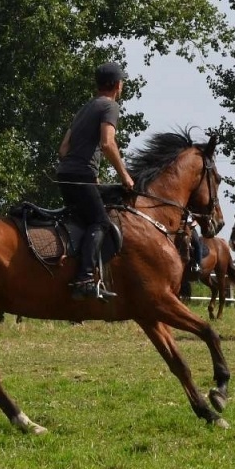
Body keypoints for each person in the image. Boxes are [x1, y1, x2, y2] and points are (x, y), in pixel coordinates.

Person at [56, 61, 134, 300]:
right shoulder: (110, 106)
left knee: (83, 219)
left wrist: (92, 172)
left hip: (65, 175)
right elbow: (107, 143)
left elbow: (63, 149)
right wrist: (125, 177)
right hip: (80, 176)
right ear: (117, 85)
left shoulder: (84, 108)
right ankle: (85, 278)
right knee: (100, 222)